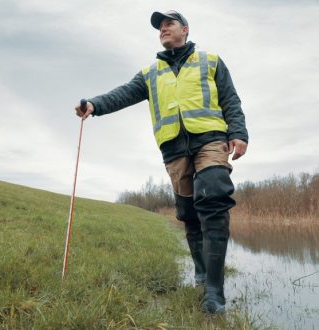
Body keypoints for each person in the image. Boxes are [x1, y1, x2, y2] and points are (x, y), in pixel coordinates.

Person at [75, 10, 248, 314]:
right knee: (189, 214)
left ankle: (214, 292)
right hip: (174, 151)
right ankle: (200, 271)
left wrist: (239, 133)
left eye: (169, 24)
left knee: (215, 199)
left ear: (185, 29)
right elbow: (123, 94)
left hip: (210, 141)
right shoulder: (150, 73)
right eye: (160, 27)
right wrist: (94, 104)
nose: (163, 29)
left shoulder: (211, 61)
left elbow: (230, 99)